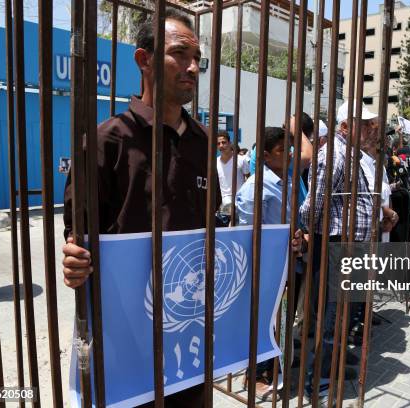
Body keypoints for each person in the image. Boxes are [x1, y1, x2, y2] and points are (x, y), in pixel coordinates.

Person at [61, 8, 219, 407]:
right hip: (128, 333)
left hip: (190, 329)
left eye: (197, 58)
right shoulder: (107, 141)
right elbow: (77, 232)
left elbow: (213, 220)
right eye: (180, 53)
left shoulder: (202, 141)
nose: (193, 67)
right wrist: (74, 256)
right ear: (144, 60)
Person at [299, 100, 376, 403]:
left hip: (348, 245)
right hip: (336, 245)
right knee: (332, 318)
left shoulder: (352, 154)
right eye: (364, 123)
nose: (370, 128)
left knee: (341, 316)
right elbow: (315, 202)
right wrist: (307, 230)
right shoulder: (333, 154)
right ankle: (316, 382)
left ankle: (330, 369)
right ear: (345, 126)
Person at [235, 127, 304, 401]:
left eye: (290, 149)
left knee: (280, 321)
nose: (288, 154)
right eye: (281, 150)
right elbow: (249, 234)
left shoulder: (282, 179)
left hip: (286, 263)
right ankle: (256, 376)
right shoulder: (255, 189)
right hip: (265, 266)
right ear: (264, 155)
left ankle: (275, 366)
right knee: (264, 321)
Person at [216, 130, 250, 215]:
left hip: (240, 201)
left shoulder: (241, 160)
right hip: (223, 203)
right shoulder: (215, 163)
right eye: (218, 143)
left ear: (230, 143)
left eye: (224, 142)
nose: (221, 145)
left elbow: (249, 178)